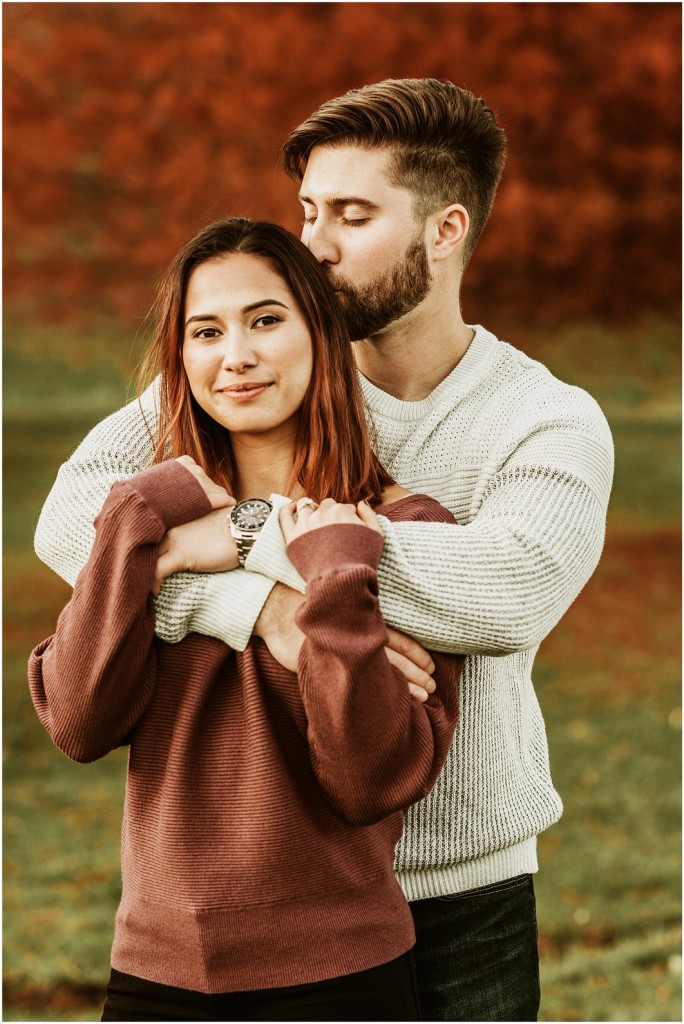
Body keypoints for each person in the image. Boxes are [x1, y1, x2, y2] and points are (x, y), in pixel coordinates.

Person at [34, 78, 614, 1022]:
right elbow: (74, 518)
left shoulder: (544, 420)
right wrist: (249, 610)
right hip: (264, 886)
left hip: (466, 885)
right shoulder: (269, 360)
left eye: (350, 214)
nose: (314, 245)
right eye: (308, 210)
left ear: (446, 229)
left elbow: (508, 593)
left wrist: (256, 534)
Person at [29, 217, 463, 1021]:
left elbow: (370, 777)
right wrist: (137, 535)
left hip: (340, 975)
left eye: (266, 320)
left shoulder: (401, 532)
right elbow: (82, 721)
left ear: (321, 336)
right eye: (206, 331)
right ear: (181, 359)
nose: (236, 356)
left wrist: (332, 578)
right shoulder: (149, 523)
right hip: (153, 976)